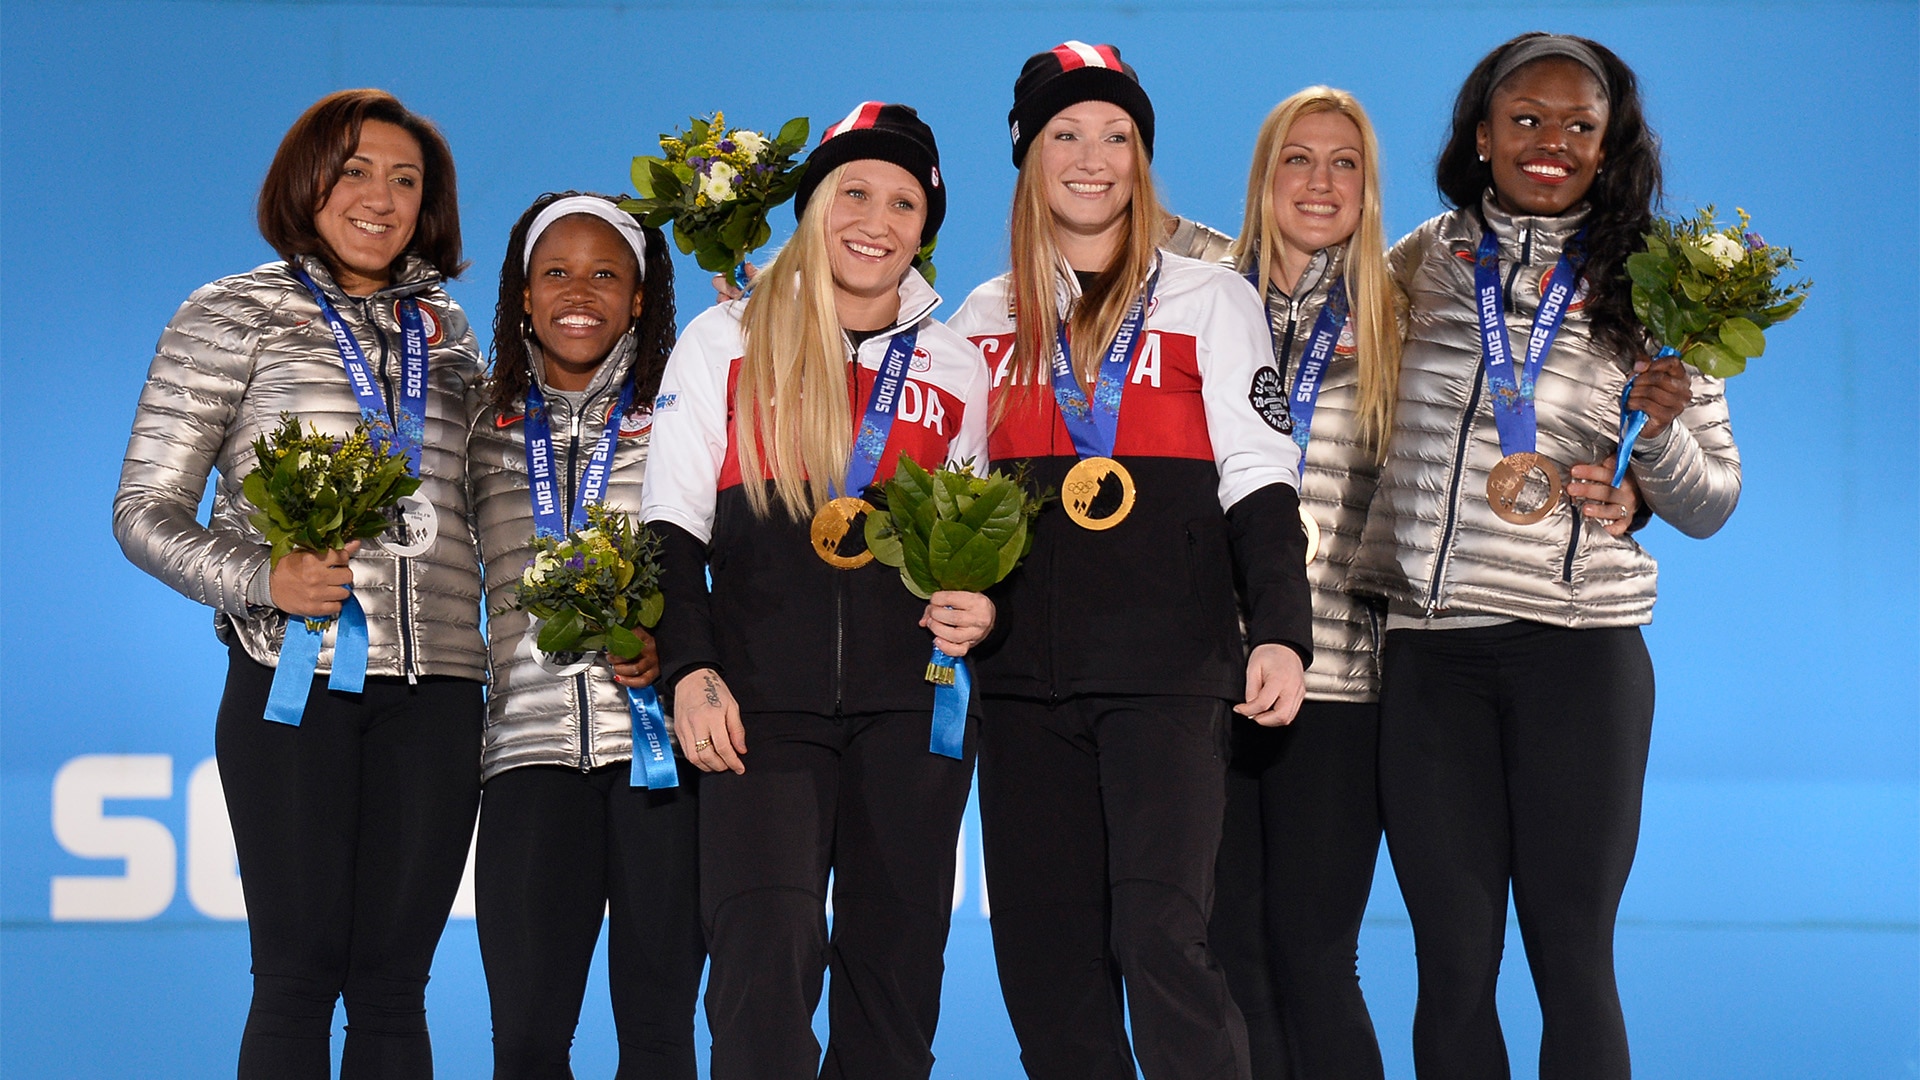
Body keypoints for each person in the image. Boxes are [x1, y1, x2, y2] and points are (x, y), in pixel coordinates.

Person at [1352, 32, 1740, 1079]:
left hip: (1580, 656)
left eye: (1580, 125)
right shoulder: (1418, 261)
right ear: (1481, 136)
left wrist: (1655, 439)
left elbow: (1710, 503)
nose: (1551, 143)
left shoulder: (1663, 285)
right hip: (1428, 658)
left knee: (1571, 957)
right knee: (1454, 965)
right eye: (1526, 119)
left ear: (1611, 148)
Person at [947, 42, 1314, 1080]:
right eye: (1066, 133)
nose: (1093, 156)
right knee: (1044, 964)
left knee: (1161, 939)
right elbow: (958, 507)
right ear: (1026, 157)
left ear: (1143, 159)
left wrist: (1282, 632)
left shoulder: (1211, 300)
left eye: (1117, 134)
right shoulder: (981, 321)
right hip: (1021, 689)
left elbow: (1258, 477)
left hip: (1168, 678)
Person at [111, 89, 484, 1079]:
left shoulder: (445, 333)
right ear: (306, 180)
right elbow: (143, 511)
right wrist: (262, 576)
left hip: (441, 695)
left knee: (396, 988)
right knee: (296, 977)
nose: (383, 196)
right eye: (357, 169)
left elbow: (498, 488)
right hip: (294, 687)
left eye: (408, 180)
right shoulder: (228, 313)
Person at [641, 103, 990, 1079]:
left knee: (895, 976)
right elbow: (671, 527)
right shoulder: (727, 340)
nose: (876, 218)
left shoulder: (957, 365)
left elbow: (975, 549)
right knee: (764, 957)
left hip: (913, 713)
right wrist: (693, 668)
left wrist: (983, 605)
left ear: (926, 227)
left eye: (904, 202)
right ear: (810, 209)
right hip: (759, 708)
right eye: (854, 192)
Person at [466, 192, 702, 1078]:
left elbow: (733, 580)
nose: (580, 291)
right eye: (554, 272)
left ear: (641, 298)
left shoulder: (685, 415)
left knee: (657, 1035)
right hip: (526, 763)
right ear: (522, 294)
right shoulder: (474, 426)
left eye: (607, 274)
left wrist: (671, 653)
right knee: (526, 1042)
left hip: (664, 766)